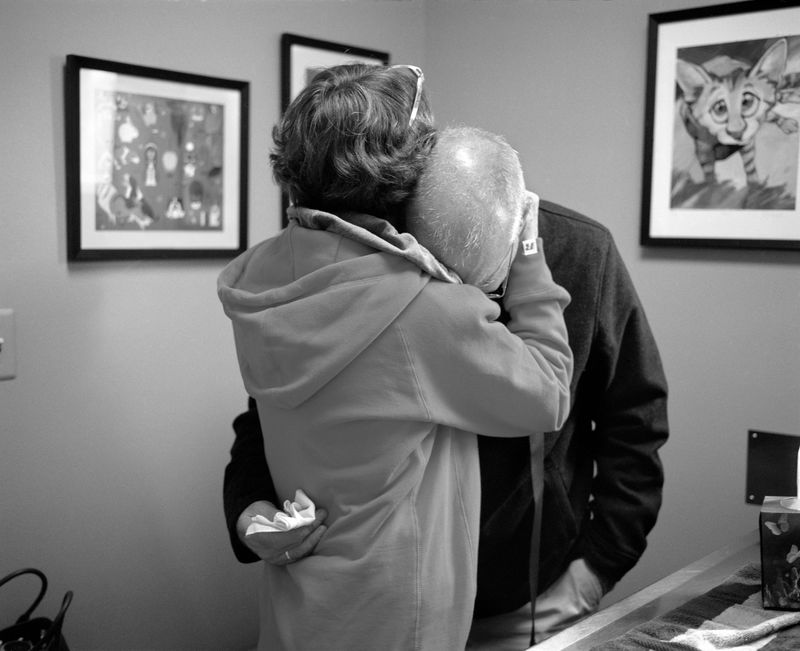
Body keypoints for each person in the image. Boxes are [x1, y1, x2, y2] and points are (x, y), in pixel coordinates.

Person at [223, 136, 669, 648]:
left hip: (529, 603)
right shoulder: (370, 252)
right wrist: (248, 510)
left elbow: (636, 416)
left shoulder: (583, 252)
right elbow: (274, 407)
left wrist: (596, 570)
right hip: (388, 609)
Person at [217, 64, 572, 651]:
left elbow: (260, 419)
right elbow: (548, 393)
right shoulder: (421, 311)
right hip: (398, 615)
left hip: (301, 602)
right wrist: (527, 251)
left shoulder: (263, 284)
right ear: (411, 177)